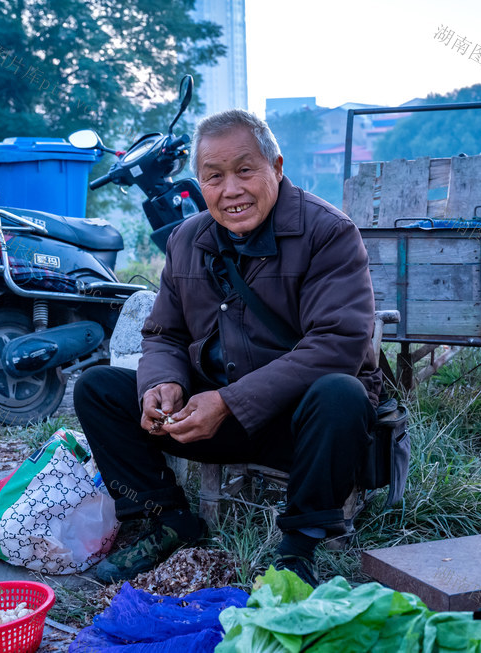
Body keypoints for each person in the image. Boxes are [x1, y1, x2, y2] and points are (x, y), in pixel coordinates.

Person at [74, 108, 382, 585]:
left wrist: (229, 402)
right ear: (200, 183)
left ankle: (298, 548)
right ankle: (165, 519)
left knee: (341, 394)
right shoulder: (187, 239)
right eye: (213, 177)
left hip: (299, 426)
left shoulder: (328, 232)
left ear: (276, 168)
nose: (231, 190)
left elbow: (338, 344)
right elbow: (164, 334)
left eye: (245, 170)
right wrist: (164, 383)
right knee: (97, 388)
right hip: (209, 413)